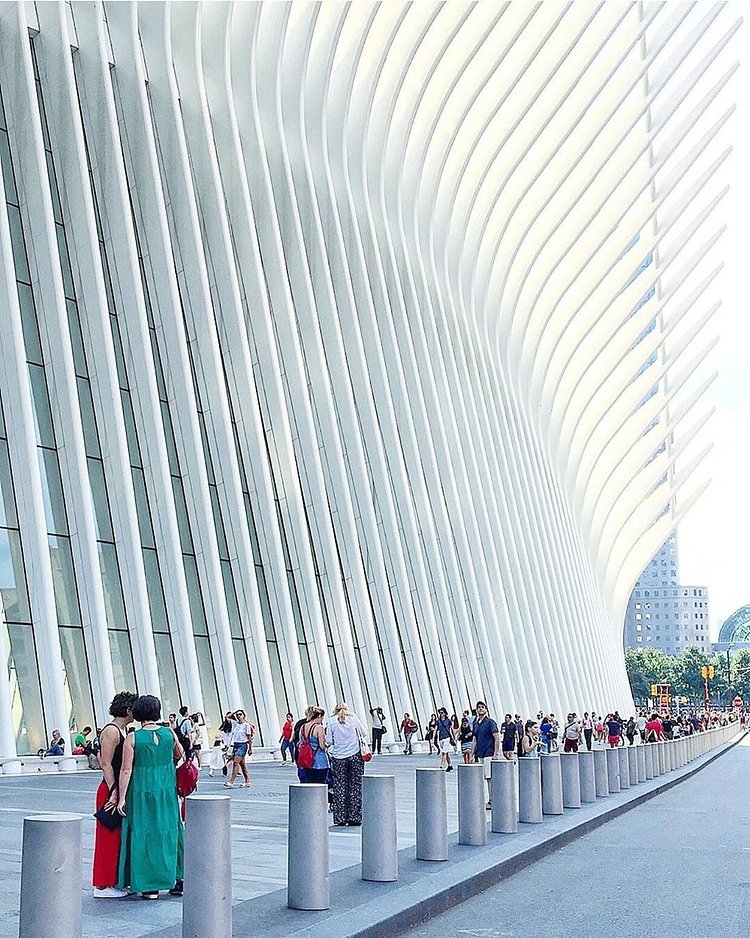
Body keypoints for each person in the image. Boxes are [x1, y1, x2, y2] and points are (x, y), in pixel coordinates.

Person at [117, 694, 184, 899]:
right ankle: (178, 879)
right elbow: (179, 754)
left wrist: (121, 797)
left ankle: (149, 886)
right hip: (166, 790)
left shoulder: (133, 737)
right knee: (170, 830)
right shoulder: (168, 733)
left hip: (141, 791)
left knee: (144, 833)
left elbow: (126, 770)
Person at [93, 691, 137, 898]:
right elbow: (105, 763)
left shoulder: (122, 729)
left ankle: (114, 881)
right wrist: (114, 791)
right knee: (108, 836)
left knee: (117, 836)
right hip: (110, 790)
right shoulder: (111, 731)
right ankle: (103, 885)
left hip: (116, 789)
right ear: (128, 709)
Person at [326, 702, 368, 826]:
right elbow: (364, 733)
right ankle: (355, 817)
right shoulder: (353, 718)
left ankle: (340, 818)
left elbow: (329, 740)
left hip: (338, 757)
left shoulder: (331, 721)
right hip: (355, 754)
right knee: (355, 785)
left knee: (340, 787)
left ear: (335, 710)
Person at [471, 701, 500, 807]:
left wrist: (495, 753)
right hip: (480, 754)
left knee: (489, 777)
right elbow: (474, 739)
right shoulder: (476, 723)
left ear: (486, 709)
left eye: (482, 707)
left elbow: (496, 737)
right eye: (479, 707)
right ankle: (488, 799)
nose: (480, 709)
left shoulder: (490, 722)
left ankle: (492, 800)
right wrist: (471, 753)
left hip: (489, 752)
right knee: (483, 777)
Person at [298, 707, 329, 784]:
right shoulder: (319, 728)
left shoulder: (303, 727)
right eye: (322, 718)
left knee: (309, 784)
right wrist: (327, 745)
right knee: (320, 785)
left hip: (306, 761)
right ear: (319, 716)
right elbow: (322, 746)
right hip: (319, 761)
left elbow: (301, 742)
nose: (322, 720)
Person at [224, 709, 254, 788]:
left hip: (242, 745)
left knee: (235, 763)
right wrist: (234, 712)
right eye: (237, 715)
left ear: (244, 715)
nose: (239, 716)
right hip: (236, 745)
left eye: (240, 714)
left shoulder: (246, 725)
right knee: (242, 765)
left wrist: (250, 748)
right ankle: (247, 781)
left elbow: (249, 737)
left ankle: (231, 781)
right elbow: (226, 717)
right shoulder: (235, 724)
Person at [436, 707, 455, 772]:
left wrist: (454, 737)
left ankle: (442, 765)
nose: (441, 714)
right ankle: (450, 765)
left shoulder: (448, 721)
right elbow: (435, 730)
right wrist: (433, 738)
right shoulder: (438, 721)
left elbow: (452, 729)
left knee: (443, 752)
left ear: (445, 713)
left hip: (447, 738)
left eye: (442, 713)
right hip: (441, 738)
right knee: (446, 753)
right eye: (440, 713)